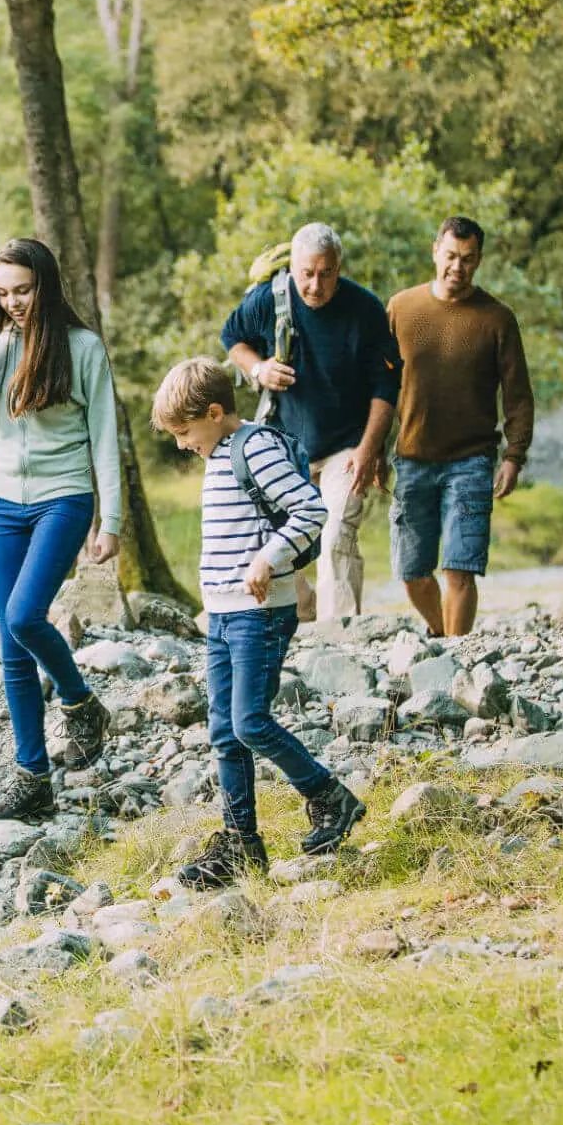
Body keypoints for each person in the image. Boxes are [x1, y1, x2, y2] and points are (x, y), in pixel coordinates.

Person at [153, 358, 365, 887]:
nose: (181, 444)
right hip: (225, 615)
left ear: (216, 412)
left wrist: (268, 558)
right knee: (225, 732)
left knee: (249, 721)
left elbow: (310, 510)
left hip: (261, 614)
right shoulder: (218, 451)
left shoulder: (255, 447)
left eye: (184, 432)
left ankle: (329, 796)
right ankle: (241, 843)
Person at [0, 238, 119, 826]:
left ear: (46, 285)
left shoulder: (83, 348)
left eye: (24, 289)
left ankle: (79, 700)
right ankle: (33, 775)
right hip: (1, 503)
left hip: (63, 498)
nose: (14, 302)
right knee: (10, 645)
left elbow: (104, 438)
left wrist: (110, 520)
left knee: (23, 616)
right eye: (4, 291)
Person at [222, 223, 400, 622]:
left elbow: (387, 386)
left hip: (348, 446)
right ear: (293, 268)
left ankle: (341, 635)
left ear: (339, 268)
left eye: (326, 273)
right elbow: (232, 337)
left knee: (336, 534)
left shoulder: (365, 309)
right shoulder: (271, 299)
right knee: (284, 540)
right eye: (307, 273)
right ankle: (300, 619)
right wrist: (259, 368)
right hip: (286, 447)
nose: (315, 285)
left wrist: (370, 448)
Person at [386, 218, 534, 637]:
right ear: (435, 251)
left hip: (471, 461)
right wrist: (373, 450)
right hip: (412, 457)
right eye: (451, 256)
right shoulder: (401, 308)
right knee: (412, 572)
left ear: (479, 261)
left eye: (468, 260)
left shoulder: (497, 319)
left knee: (459, 569)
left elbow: (518, 395)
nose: (457, 267)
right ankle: (441, 635)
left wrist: (513, 458)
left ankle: (457, 656)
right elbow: (377, 388)